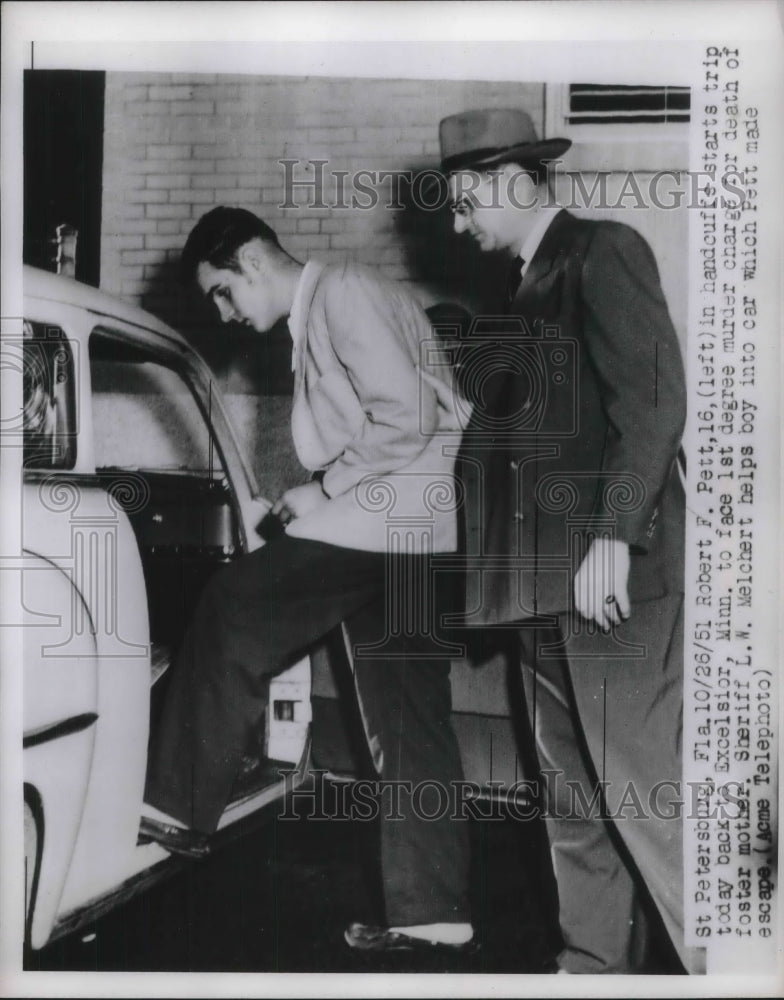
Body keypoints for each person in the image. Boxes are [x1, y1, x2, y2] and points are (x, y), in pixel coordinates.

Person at [139, 207, 475, 953]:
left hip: (387, 520)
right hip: (422, 530)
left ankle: (175, 805)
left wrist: (325, 493)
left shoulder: (342, 291)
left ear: (253, 262)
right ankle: (435, 915)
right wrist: (322, 489)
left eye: (223, 293)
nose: (225, 313)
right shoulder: (340, 301)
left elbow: (408, 413)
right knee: (409, 720)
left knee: (235, 604)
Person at [435, 108, 695, 973]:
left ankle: (729, 970)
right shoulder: (521, 291)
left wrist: (616, 536)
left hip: (606, 583)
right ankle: (590, 969)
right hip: (544, 593)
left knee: (646, 799)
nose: (457, 220)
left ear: (514, 182)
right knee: (573, 803)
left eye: (464, 199)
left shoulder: (601, 251)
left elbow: (653, 405)